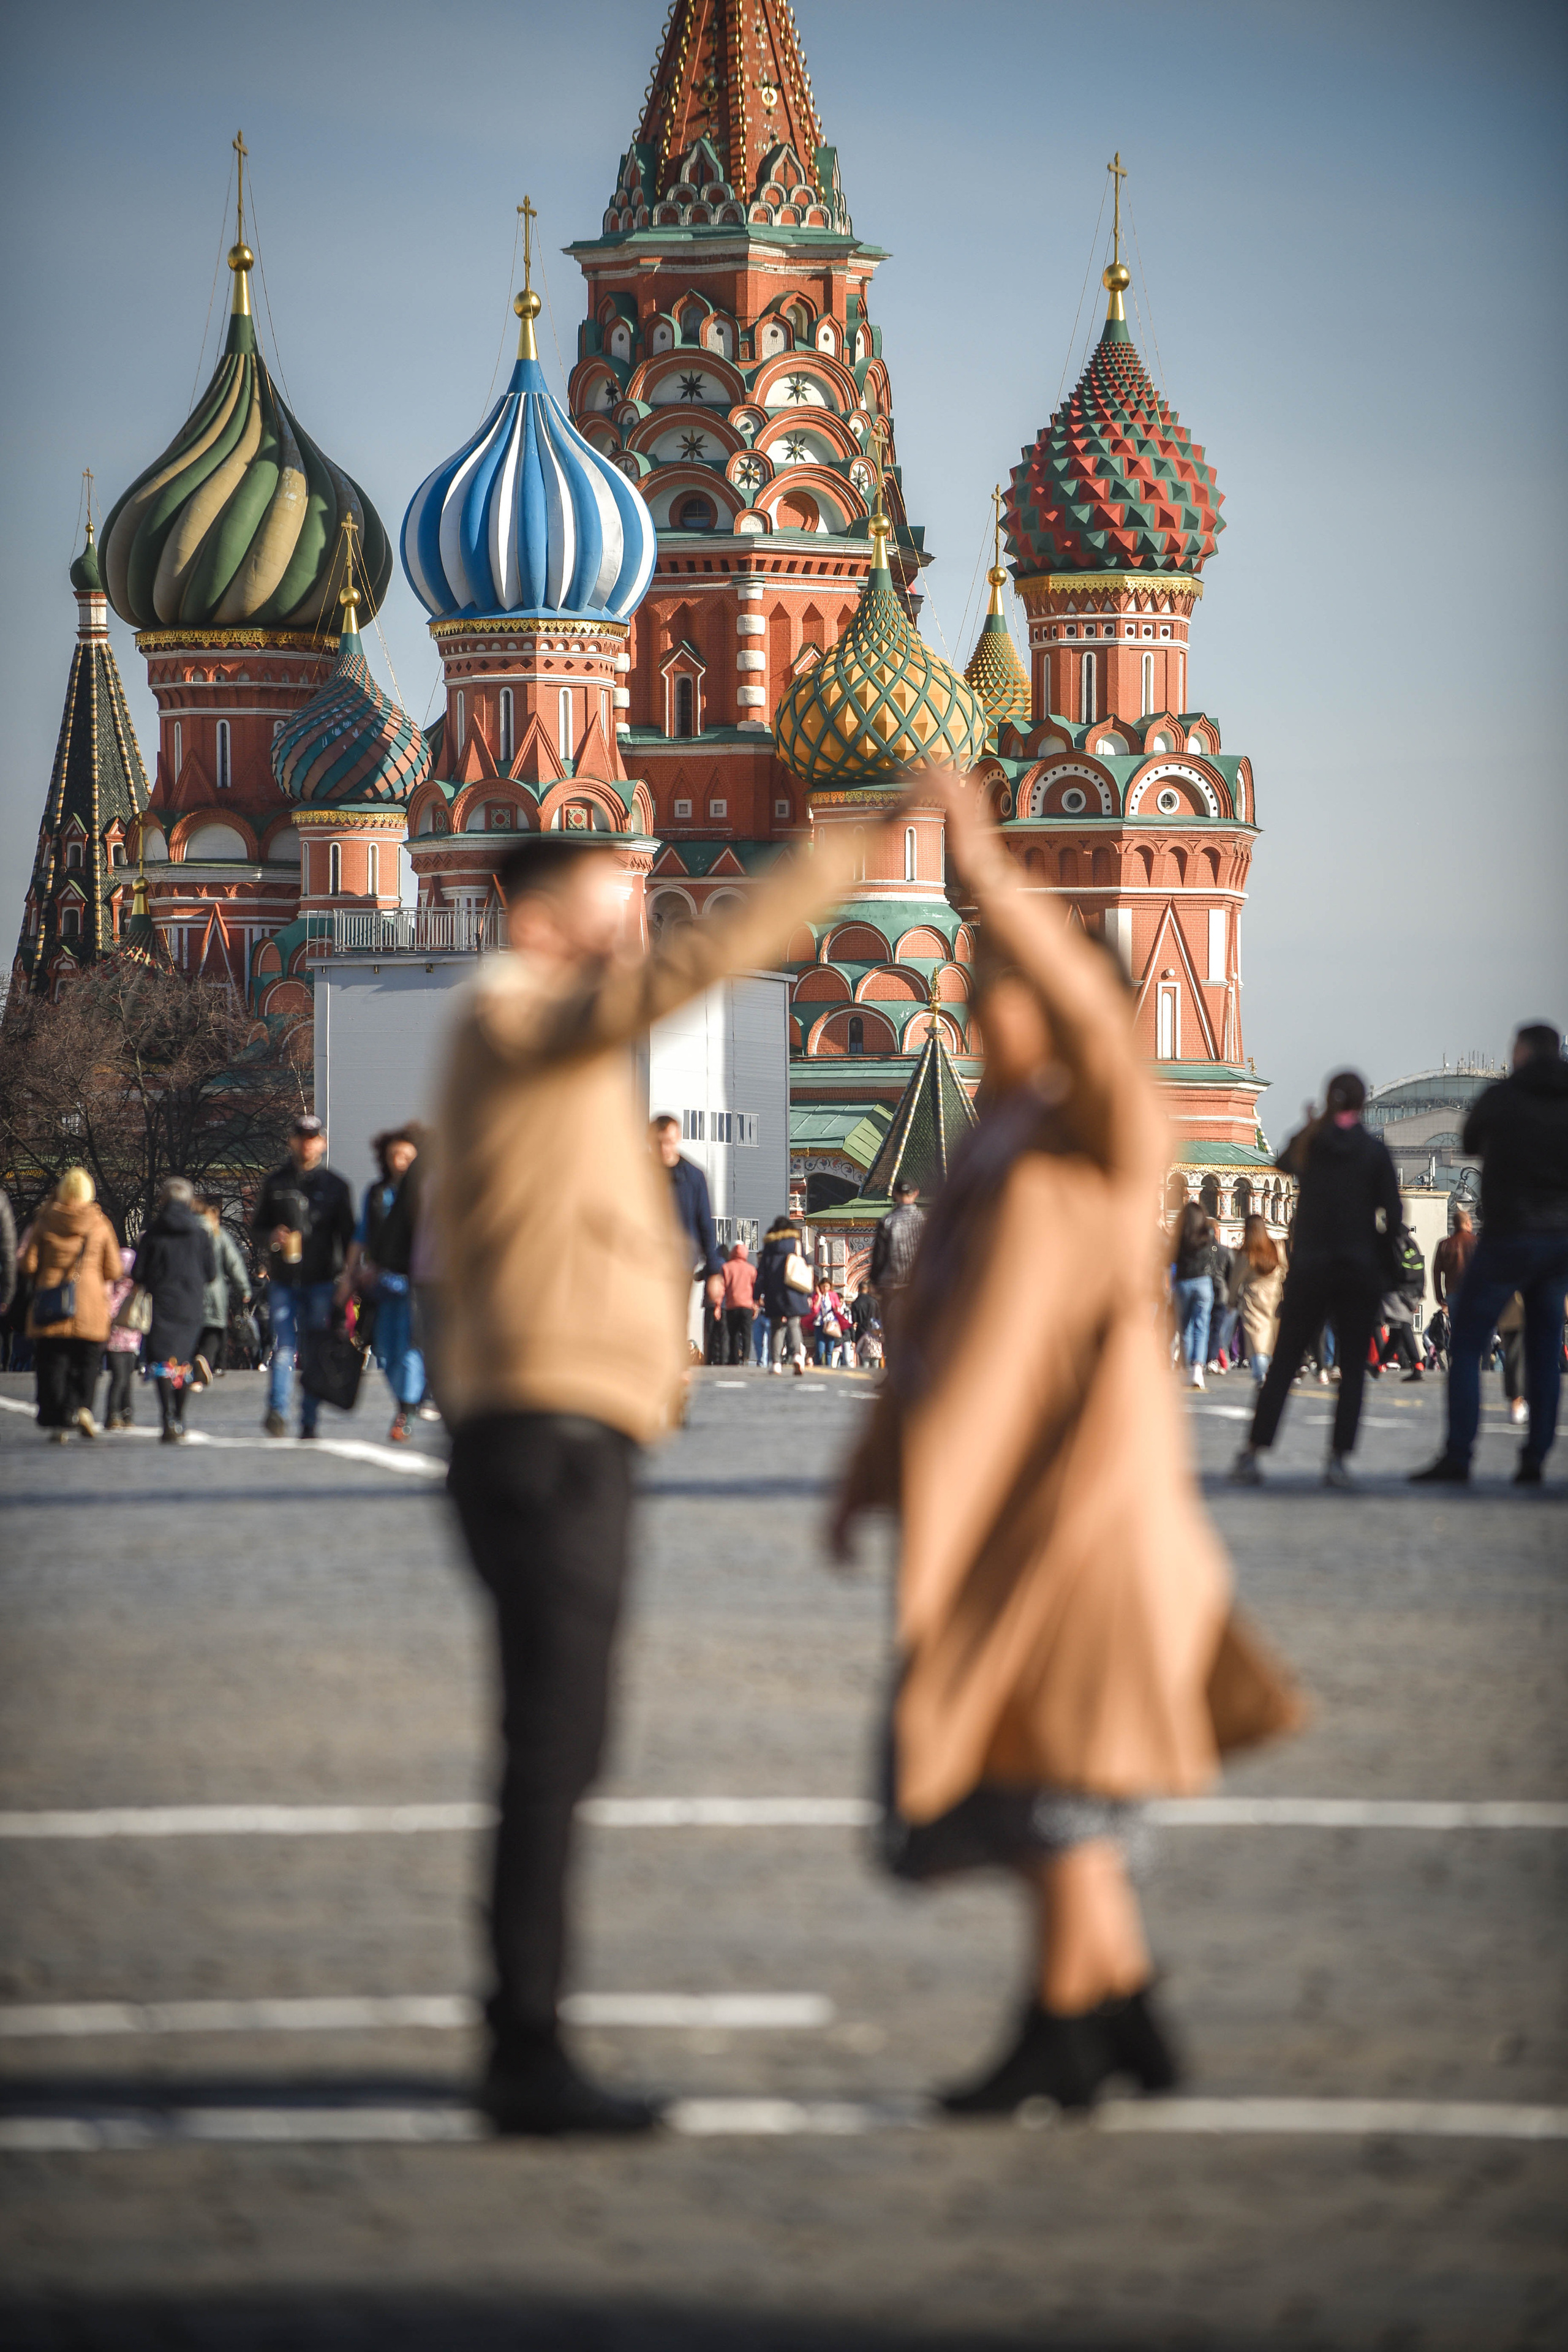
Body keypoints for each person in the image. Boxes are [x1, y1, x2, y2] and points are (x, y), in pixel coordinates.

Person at [831, 769, 1298, 2117]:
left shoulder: (1103, 1127)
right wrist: (866, 1476)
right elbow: (932, 1325)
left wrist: (983, 865)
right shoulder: (990, 1146)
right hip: (994, 1508)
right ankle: (1122, 2012)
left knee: (1046, 1785)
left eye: (1005, 991)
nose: (979, 1013)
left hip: (1078, 1513)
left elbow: (1093, 1021)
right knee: (1035, 1777)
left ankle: (1066, 2029)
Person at [432, 818, 872, 2136]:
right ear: (534, 922)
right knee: (552, 1740)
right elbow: (669, 980)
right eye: (602, 905)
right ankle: (526, 2048)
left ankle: (526, 2031)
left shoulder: (545, 1045)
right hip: (544, 1427)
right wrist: (836, 861)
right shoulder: (512, 1014)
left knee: (564, 1739)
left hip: (576, 1422)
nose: (627, 927)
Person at [1412, 1023, 1568, 1486]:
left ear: (1521, 1052)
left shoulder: (1504, 1097)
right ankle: (1535, 1457)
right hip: (1558, 1239)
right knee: (1544, 1348)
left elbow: (1468, 1142)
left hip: (1508, 1235)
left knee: (1466, 1343)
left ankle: (1459, 1453)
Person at [1230, 1074, 1401, 1488]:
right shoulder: (1374, 1151)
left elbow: (1283, 1163)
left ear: (1328, 1101)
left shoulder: (1315, 1146)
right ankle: (1338, 1459)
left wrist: (1311, 1126)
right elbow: (1393, 1216)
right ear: (1363, 1103)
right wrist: (1380, 1260)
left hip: (1311, 1269)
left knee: (1285, 1363)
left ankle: (1254, 1450)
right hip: (1357, 1269)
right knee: (1353, 1369)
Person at [252, 1114, 355, 1440]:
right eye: (301, 1138)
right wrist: (272, 1236)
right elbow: (257, 1228)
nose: (307, 1145)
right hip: (284, 1279)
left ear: (322, 1144)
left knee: (313, 1350)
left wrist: (349, 1278)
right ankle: (278, 1411)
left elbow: (349, 1237)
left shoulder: (336, 1186)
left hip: (322, 1280)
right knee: (283, 1345)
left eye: (313, 1139)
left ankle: (309, 1420)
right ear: (292, 1142)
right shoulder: (276, 1183)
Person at [21, 1168, 123, 1442]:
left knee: (52, 1362)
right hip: (90, 1304)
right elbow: (114, 1269)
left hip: (52, 1303)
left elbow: (28, 1264)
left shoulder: (45, 1220)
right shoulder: (100, 1224)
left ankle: (57, 1421)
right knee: (87, 1361)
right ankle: (81, 1407)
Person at [339, 1128, 427, 1444]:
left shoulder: (426, 1193)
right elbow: (362, 1234)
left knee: (409, 1346)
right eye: (394, 1156)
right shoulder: (377, 1193)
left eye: (406, 1156)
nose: (399, 1162)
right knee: (385, 1350)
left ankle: (408, 1408)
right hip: (380, 1281)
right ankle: (406, 1401)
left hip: (414, 1282)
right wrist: (350, 1273)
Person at [132, 1177, 217, 1444]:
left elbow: (138, 1273)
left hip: (161, 1304)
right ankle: (180, 1416)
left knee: (163, 1361)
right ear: (189, 1201)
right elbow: (211, 1273)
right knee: (182, 1362)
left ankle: (167, 1416)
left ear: (163, 1200)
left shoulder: (153, 1233)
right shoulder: (200, 1233)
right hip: (190, 1305)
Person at [650, 1116, 723, 1361]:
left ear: (678, 1139)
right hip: (645, 1258)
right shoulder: (638, 1173)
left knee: (675, 1315)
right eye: (659, 1142)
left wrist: (714, 1272)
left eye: (669, 1142)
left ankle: (674, 1367)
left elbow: (706, 1225)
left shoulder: (693, 1177)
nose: (664, 1148)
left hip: (681, 1261)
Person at [194, 1203, 252, 1385]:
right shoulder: (219, 1235)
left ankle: (194, 1360)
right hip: (215, 1290)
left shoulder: (184, 1232)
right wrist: (244, 1289)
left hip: (188, 1290)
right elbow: (234, 1264)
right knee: (213, 1328)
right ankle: (205, 1359)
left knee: (192, 1328)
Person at [868, 1181, 925, 1360]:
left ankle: (894, 1367)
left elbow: (879, 1256)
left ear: (895, 1194)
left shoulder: (888, 1221)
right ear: (916, 1193)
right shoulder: (925, 1221)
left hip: (891, 1283)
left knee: (892, 1328)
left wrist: (874, 1280)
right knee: (917, 1327)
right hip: (917, 1284)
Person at [1227, 1215, 1286, 1384]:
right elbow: (1284, 1270)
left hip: (1253, 1297)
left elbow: (1235, 1281)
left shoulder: (1246, 1253)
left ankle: (1261, 1373)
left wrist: (1231, 1301)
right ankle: (1272, 1371)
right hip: (1275, 1296)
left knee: (1256, 1337)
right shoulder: (1277, 1247)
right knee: (1272, 1336)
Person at [1170, 1203, 1220, 1390]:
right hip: (1203, 1283)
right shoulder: (1207, 1235)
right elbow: (1213, 1258)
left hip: (1183, 1283)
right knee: (1201, 1326)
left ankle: (1186, 1368)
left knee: (1185, 1327)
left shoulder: (1180, 1236)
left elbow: (1171, 1259)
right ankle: (1198, 1369)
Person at [757, 1209, 812, 1374]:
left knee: (776, 1326)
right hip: (795, 1290)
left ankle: (776, 1363)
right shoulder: (796, 1244)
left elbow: (762, 1273)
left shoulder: (769, 1247)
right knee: (794, 1323)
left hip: (774, 1292)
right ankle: (797, 1356)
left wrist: (756, 1295)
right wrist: (809, 1295)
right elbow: (805, 1268)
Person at [1379, 1224, 1425, 1384]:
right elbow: (1421, 1270)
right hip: (1413, 1291)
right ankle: (1379, 1365)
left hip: (1398, 1292)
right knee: (1396, 1330)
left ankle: (1417, 1364)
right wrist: (1419, 1293)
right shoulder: (1411, 1244)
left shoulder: (1393, 1244)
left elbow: (1389, 1270)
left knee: (1403, 1325)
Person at [102, 1245, 142, 1429]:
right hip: (128, 1341)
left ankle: (118, 1413)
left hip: (118, 1340)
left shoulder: (116, 1286)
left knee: (121, 1378)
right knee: (124, 1378)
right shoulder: (132, 1287)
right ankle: (122, 1413)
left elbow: (110, 1310)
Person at [718, 1241, 756, 1366]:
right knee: (747, 1333)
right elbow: (755, 1289)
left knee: (733, 1333)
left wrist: (718, 1305)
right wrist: (755, 1305)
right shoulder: (751, 1269)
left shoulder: (726, 1267)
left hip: (732, 1306)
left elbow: (721, 1288)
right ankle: (746, 1357)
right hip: (747, 1306)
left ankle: (734, 1359)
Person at [1432, 1208, 1476, 1310]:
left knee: (1456, 1320)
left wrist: (1439, 1297)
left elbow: (1436, 1272)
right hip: (1475, 1292)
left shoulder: (1444, 1244)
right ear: (1468, 1224)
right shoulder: (1477, 1243)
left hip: (1453, 1293)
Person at [850, 1280, 883, 1370]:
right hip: (874, 1332)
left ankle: (862, 1372)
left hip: (861, 1332)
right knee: (875, 1355)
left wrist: (853, 1338)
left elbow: (854, 1321)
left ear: (859, 1289)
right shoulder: (874, 1302)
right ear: (867, 1289)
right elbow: (879, 1318)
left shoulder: (856, 1303)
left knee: (862, 1357)